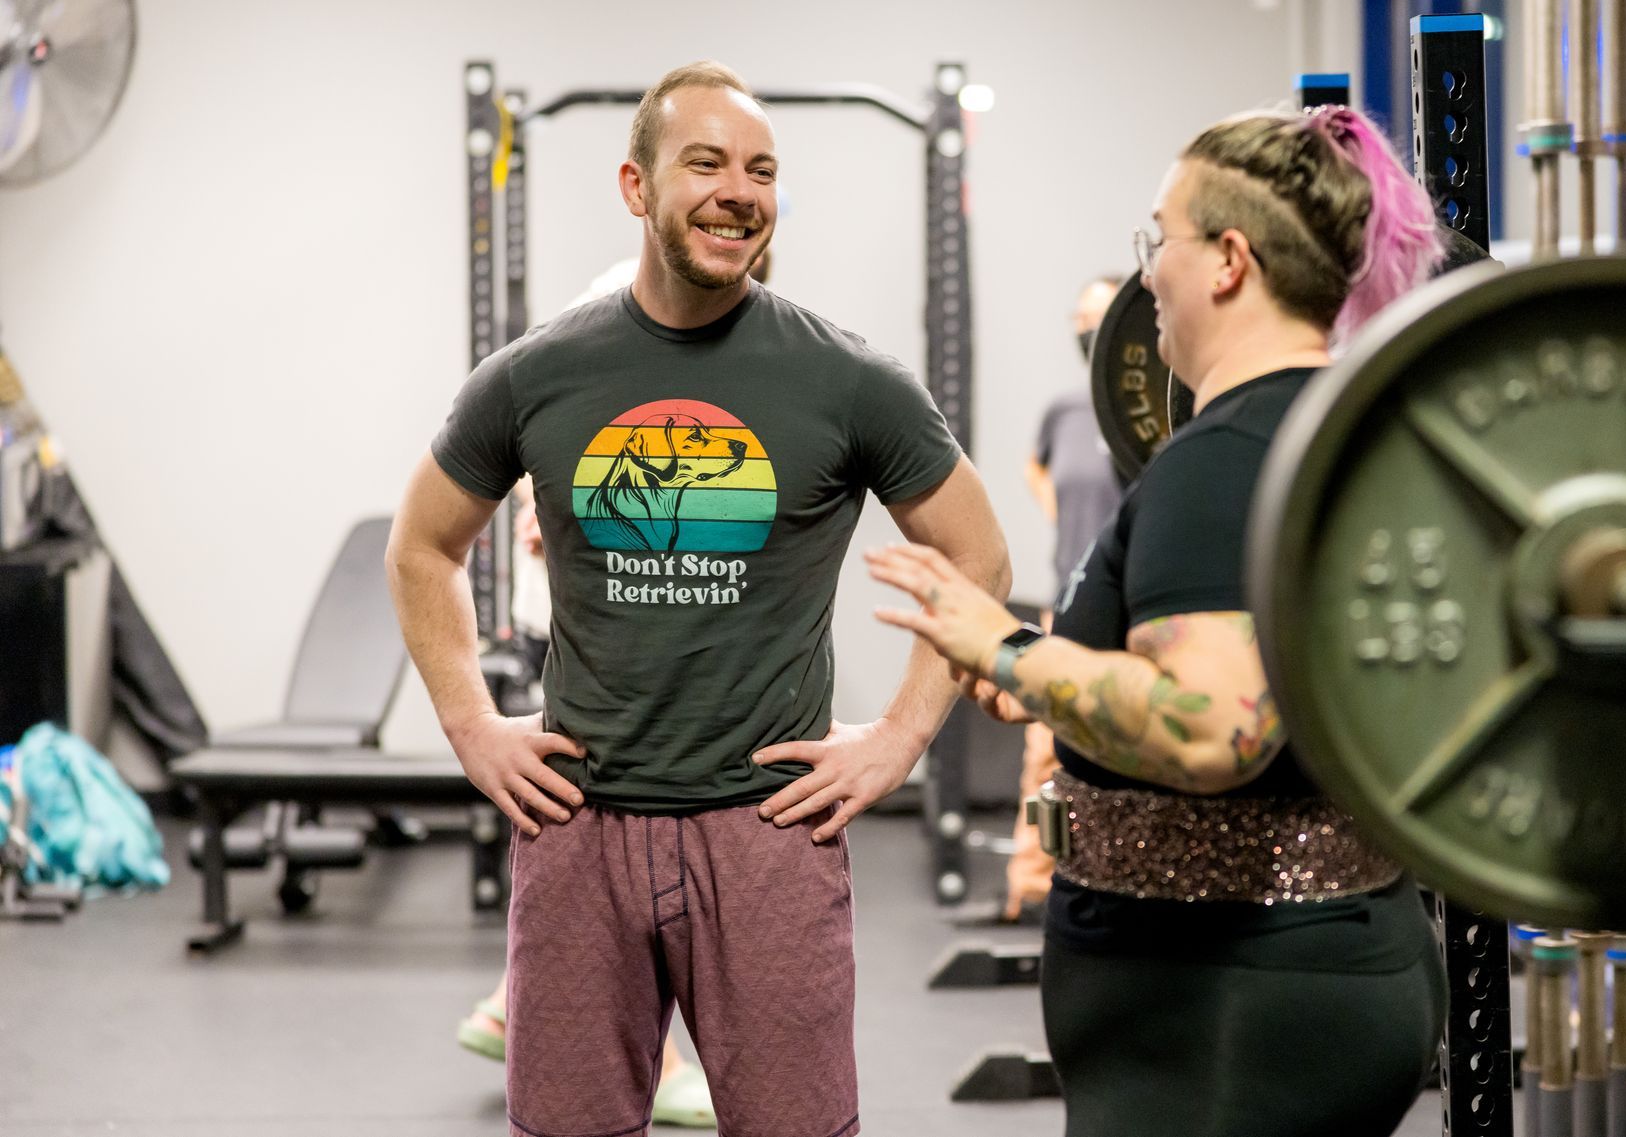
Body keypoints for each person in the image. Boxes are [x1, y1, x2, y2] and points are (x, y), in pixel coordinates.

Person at [388, 60, 1009, 1137]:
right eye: (707, 163)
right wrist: (469, 725)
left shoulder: (848, 380)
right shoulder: (536, 377)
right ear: (638, 188)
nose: (740, 190)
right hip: (579, 824)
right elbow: (420, 548)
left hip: (767, 828)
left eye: (762, 169)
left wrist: (901, 737)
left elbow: (980, 558)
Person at [867, 104, 1448, 1137]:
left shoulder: (1222, 459)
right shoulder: (1342, 434)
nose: (1148, 280)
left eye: (1159, 242)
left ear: (1228, 260)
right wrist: (1056, 675)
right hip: (1313, 967)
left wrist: (1002, 642)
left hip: (1227, 1004)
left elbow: (1214, 724)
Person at [452, 239, 775, 1129]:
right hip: (581, 641)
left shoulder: (762, 349)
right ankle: (638, 1048)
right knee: (604, 852)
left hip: (621, 640)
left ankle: (509, 1002)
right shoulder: (618, 321)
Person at [996, 275, 1125, 923]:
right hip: (1065, 602)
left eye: (1097, 316)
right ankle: (1030, 883)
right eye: (1078, 316)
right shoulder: (1065, 409)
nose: (1085, 328)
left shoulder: (1144, 412)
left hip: (1130, 608)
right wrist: (1063, 520)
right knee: (1045, 748)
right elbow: (1035, 466)